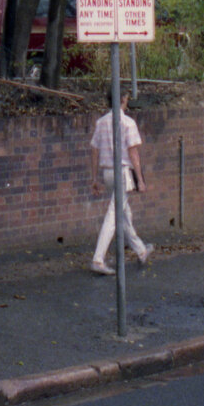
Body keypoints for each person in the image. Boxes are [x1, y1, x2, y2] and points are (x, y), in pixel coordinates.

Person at [89, 91, 151, 274]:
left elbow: (94, 150)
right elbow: (133, 154)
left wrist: (94, 178)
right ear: (123, 99)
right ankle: (98, 259)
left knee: (124, 214)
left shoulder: (101, 123)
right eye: (126, 98)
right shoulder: (128, 123)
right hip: (122, 172)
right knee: (115, 214)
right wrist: (140, 179)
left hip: (108, 173)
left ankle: (141, 250)